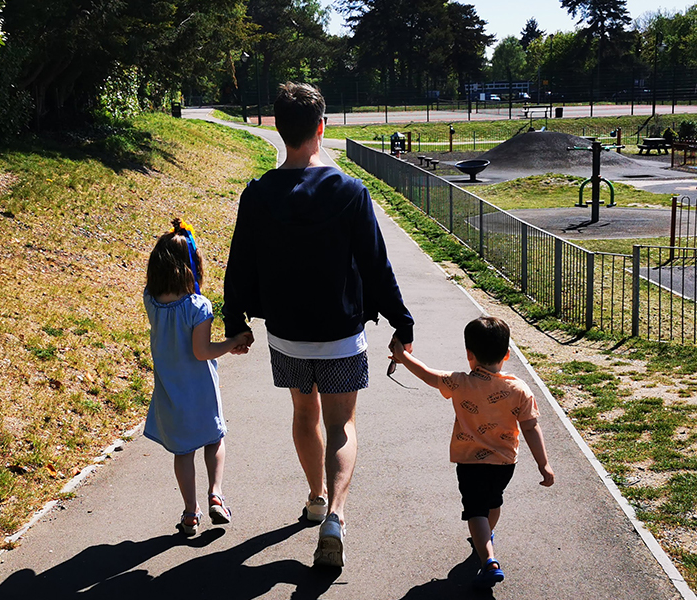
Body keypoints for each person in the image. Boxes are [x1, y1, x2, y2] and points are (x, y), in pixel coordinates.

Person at [222, 82, 414, 568]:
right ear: (321, 128)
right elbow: (375, 264)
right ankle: (337, 518)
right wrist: (401, 321)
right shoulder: (349, 191)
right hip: (341, 333)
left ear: (278, 129)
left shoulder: (259, 193)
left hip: (286, 333)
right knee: (342, 424)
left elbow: (239, 262)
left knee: (304, 416)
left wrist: (235, 319)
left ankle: (315, 498)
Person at [390, 316, 554, 590]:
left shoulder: (459, 382)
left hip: (469, 461)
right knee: (493, 501)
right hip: (504, 463)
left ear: (469, 355)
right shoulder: (519, 389)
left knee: (474, 509)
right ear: (507, 354)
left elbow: (428, 374)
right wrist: (544, 464)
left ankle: (488, 560)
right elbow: (531, 427)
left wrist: (403, 357)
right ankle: (487, 535)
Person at [144, 218, 252, 536]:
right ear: (192, 267)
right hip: (201, 389)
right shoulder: (198, 307)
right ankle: (216, 494)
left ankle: (191, 513)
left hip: (169, 391)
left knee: (183, 452)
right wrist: (232, 343)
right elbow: (202, 351)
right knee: (214, 438)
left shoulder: (150, 301)